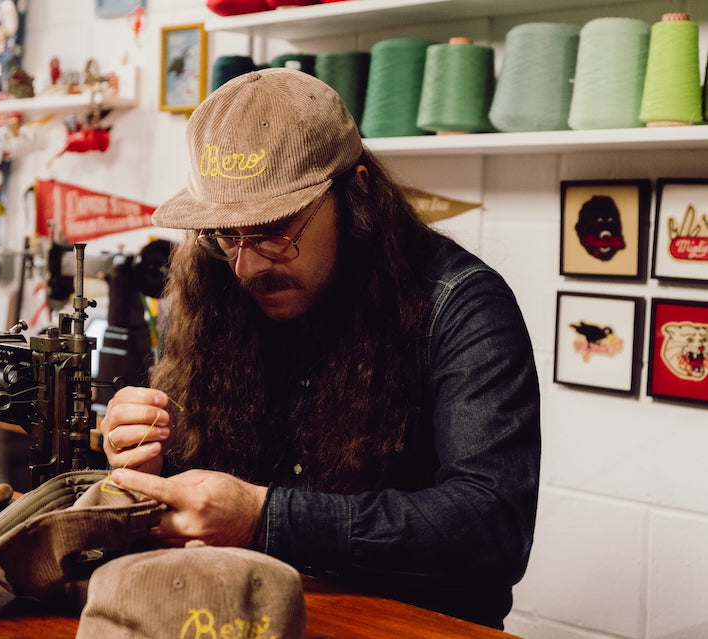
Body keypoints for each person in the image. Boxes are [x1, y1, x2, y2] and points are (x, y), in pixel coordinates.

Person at [100, 68, 540, 630]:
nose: (248, 265)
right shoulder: (217, 285)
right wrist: (152, 461)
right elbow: (206, 486)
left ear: (356, 192)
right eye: (227, 234)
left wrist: (266, 518)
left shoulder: (461, 306)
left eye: (275, 229)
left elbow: (492, 528)